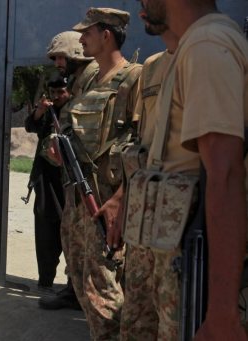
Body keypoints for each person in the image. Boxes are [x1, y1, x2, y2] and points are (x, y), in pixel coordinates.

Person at [119, 1, 248, 340]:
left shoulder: (207, 45)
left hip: (191, 261)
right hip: (170, 249)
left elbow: (226, 174)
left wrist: (222, 311)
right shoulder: (189, 47)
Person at [58, 8, 141, 340]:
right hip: (77, 197)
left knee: (103, 287)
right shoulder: (90, 77)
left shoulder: (135, 77)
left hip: (107, 199)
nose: (81, 39)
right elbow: (70, 126)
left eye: (87, 33)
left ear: (106, 35)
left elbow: (142, 145)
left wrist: (120, 199)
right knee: (80, 277)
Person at [116, 4, 179, 339]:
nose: (141, 14)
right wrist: (125, 199)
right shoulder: (152, 68)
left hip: (182, 217)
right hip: (144, 209)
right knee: (137, 314)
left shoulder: (215, 54)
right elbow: (140, 141)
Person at [37, 31, 99, 311]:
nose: (58, 63)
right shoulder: (79, 83)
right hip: (73, 177)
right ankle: (74, 291)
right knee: (72, 236)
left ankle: (90, 297)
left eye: (61, 56)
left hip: (94, 177)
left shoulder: (97, 79)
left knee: (92, 242)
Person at [24, 76, 70, 291]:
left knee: (71, 232)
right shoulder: (47, 112)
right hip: (46, 181)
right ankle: (45, 281)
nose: (57, 97)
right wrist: (40, 110)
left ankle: (73, 286)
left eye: (62, 92)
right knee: (45, 230)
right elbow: (30, 125)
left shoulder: (75, 110)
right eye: (54, 93)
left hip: (71, 183)